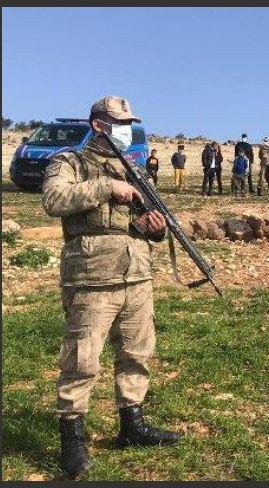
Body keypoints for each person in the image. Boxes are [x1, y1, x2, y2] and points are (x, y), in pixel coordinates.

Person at [41, 96, 180, 479]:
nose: (124, 127)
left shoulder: (134, 168)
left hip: (136, 274)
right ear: (97, 123)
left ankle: (131, 424)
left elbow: (153, 220)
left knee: (137, 351)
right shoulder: (70, 162)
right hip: (91, 277)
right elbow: (54, 200)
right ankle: (72, 438)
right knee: (82, 358)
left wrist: (155, 229)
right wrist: (107, 187)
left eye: (129, 121)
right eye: (118, 121)